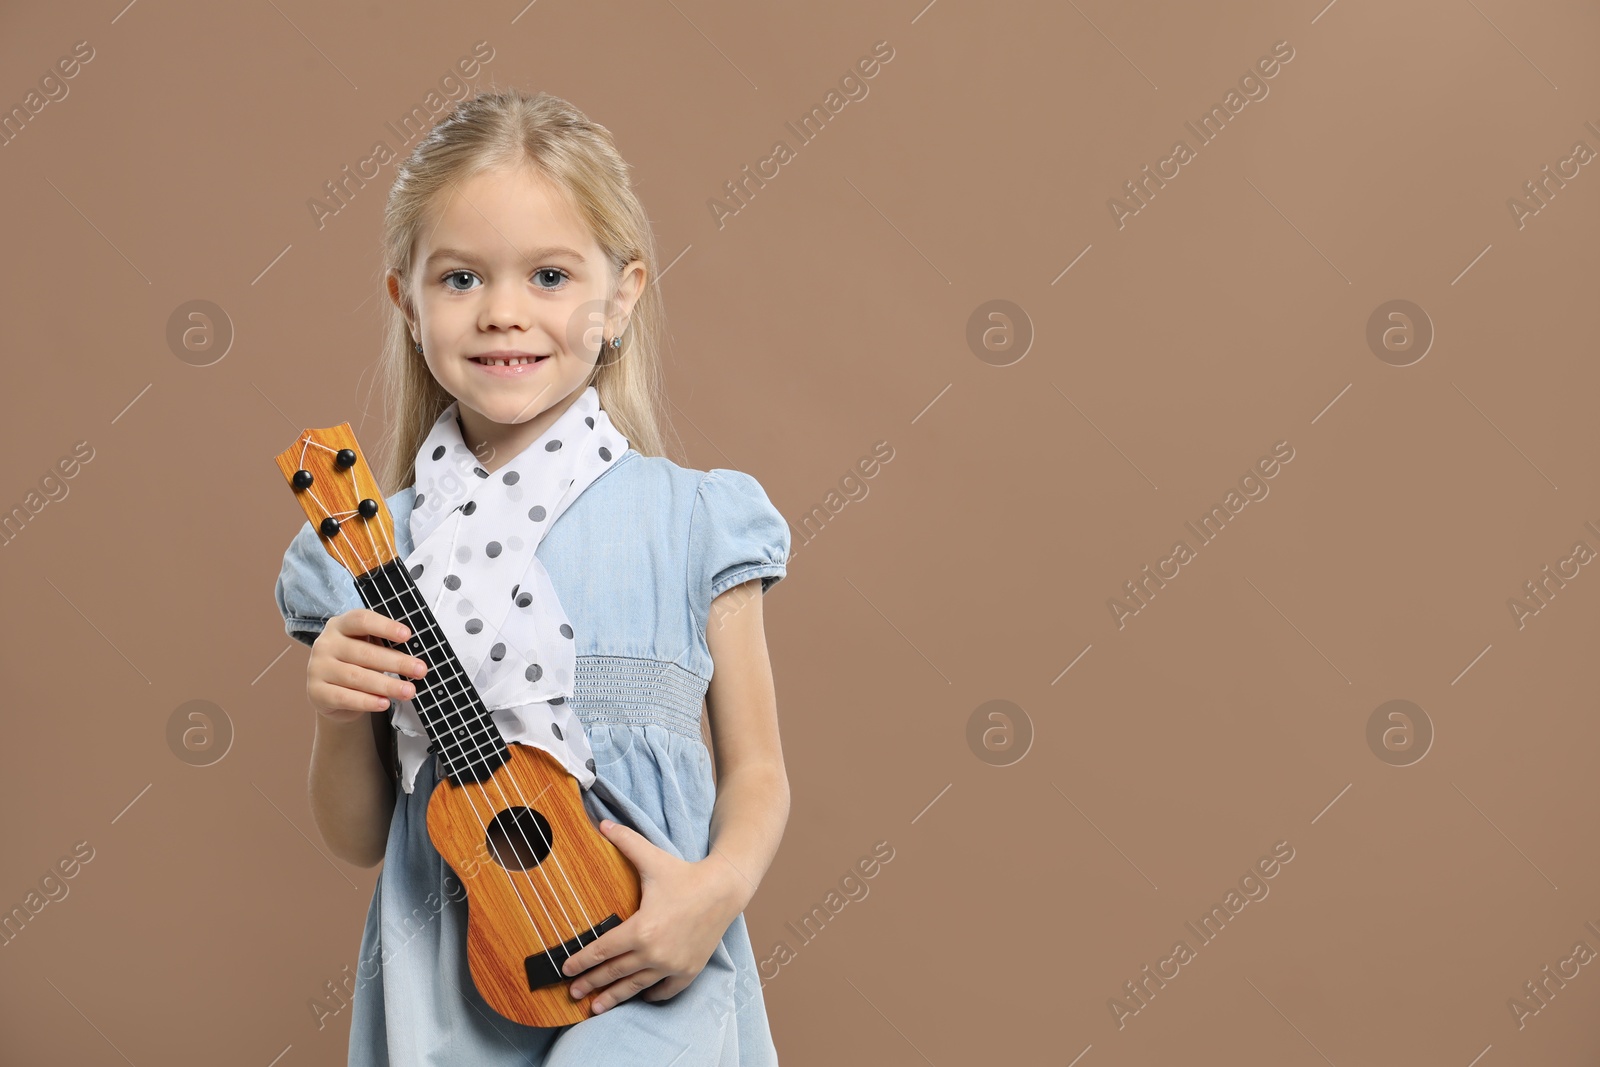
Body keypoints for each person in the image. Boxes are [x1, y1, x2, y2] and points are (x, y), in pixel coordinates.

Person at [271, 88, 790, 1065]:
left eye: (549, 274)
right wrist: (339, 709)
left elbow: (756, 766)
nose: (503, 311)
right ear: (407, 301)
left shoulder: (693, 522)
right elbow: (359, 835)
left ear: (621, 292)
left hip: (651, 950)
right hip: (445, 979)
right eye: (461, 278)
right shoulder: (373, 549)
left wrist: (714, 889)